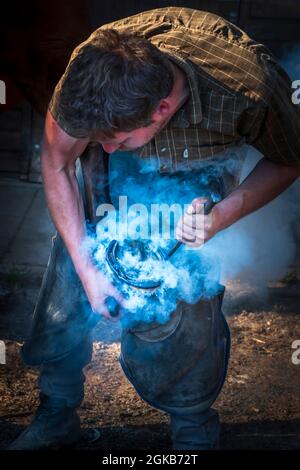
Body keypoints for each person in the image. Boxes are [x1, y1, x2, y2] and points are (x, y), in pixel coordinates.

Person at [9, 7, 300, 450]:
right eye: (99, 137)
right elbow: (58, 160)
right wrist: (89, 272)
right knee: (74, 267)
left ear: (162, 110)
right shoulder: (89, 70)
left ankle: (192, 429)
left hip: (200, 171)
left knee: (186, 290)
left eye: (116, 139)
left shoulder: (250, 86)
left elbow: (290, 157)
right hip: (123, 166)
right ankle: (56, 411)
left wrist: (223, 215)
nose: (104, 148)